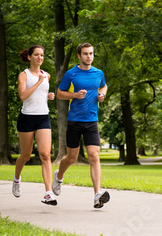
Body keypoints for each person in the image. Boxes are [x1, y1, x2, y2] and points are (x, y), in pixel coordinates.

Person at [52, 42, 110, 209]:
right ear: (79, 56)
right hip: (75, 121)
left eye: (91, 53)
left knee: (94, 156)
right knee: (71, 157)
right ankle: (59, 176)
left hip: (92, 121)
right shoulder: (71, 74)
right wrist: (75, 95)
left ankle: (97, 195)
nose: (88, 56)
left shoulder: (98, 73)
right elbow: (60, 94)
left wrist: (102, 95)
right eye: (85, 53)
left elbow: (104, 86)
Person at [13, 45, 57, 205]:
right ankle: (17, 179)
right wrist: (39, 82)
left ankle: (48, 193)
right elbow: (23, 96)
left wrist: (49, 96)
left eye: (42, 55)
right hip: (26, 118)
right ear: (30, 57)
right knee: (25, 155)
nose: (40, 57)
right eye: (37, 55)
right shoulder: (24, 75)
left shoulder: (47, 75)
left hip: (43, 117)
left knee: (45, 154)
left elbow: (41, 96)